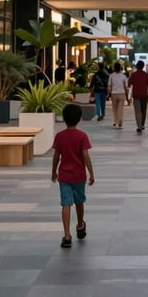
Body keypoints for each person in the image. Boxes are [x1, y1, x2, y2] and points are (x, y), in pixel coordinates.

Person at [52, 103, 95, 248]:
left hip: (64, 175)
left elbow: (56, 156)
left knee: (65, 204)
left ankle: (66, 235)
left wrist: (53, 171)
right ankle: (80, 224)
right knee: (79, 201)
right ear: (79, 119)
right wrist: (91, 172)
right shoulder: (82, 136)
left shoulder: (59, 136)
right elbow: (85, 156)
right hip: (79, 175)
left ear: (64, 119)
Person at [128, 59, 148, 133]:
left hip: (136, 95)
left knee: (138, 111)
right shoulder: (146, 75)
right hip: (144, 95)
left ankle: (139, 125)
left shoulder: (133, 75)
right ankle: (142, 124)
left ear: (137, 66)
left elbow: (130, 85)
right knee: (143, 111)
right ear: (143, 66)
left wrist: (129, 96)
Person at [108, 61, 128, 128]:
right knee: (120, 108)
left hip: (114, 94)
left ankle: (115, 121)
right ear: (120, 68)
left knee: (114, 108)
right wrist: (128, 96)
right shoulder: (123, 76)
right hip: (122, 94)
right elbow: (126, 87)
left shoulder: (111, 76)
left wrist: (109, 93)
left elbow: (109, 86)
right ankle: (120, 121)